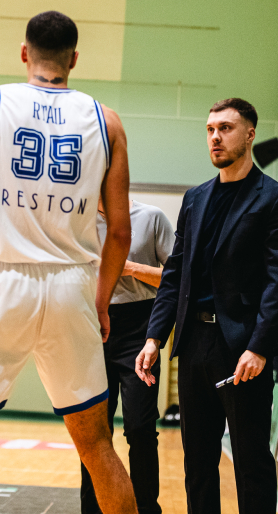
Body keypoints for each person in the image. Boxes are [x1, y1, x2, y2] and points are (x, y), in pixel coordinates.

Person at [0, 11, 138, 514]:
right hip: (71, 286)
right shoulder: (107, 122)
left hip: (0, 283)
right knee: (97, 447)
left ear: (24, 53)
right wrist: (100, 302)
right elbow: (121, 232)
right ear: (74, 59)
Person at [134, 98, 278, 514]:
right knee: (198, 462)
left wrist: (259, 346)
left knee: (250, 460)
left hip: (242, 346)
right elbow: (175, 275)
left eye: (225, 128)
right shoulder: (195, 198)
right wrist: (155, 337)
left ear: (250, 134)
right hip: (194, 343)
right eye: (210, 129)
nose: (215, 137)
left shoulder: (276, 198)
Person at [80, 199, 174, 514]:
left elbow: (176, 278)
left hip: (140, 328)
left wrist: (129, 267)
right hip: (92, 325)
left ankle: (146, 508)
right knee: (93, 432)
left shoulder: (151, 217)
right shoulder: (77, 218)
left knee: (140, 428)